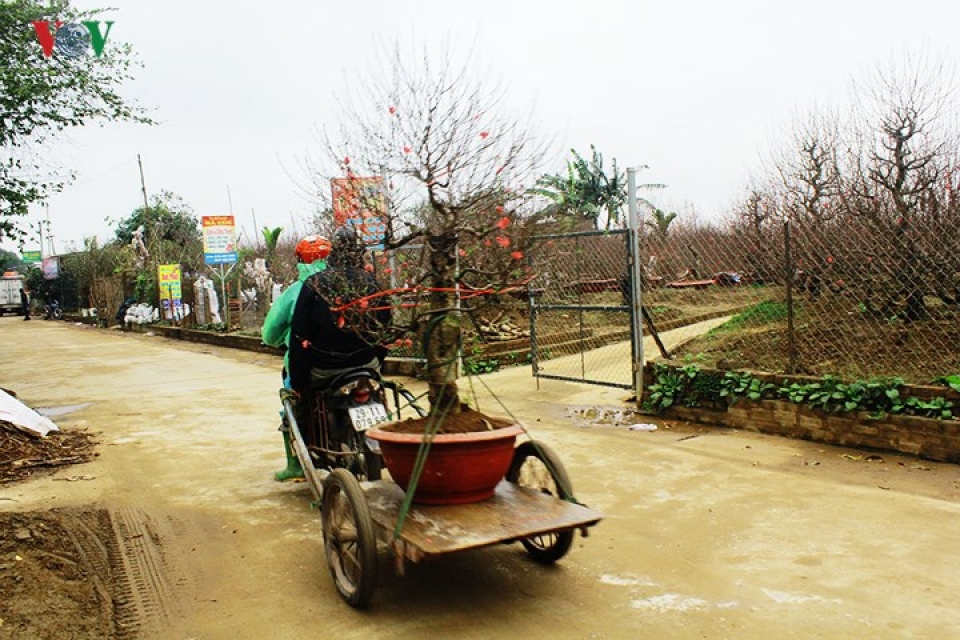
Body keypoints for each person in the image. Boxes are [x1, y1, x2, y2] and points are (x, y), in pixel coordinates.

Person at [287, 226, 390, 395]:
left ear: (332, 253)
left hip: (325, 370)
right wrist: (376, 360)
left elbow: (299, 336)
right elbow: (385, 329)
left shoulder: (314, 284)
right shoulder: (371, 283)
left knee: (302, 403)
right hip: (367, 364)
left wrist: (298, 384)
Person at [261, 235, 331, 481]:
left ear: (301, 261)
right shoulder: (349, 286)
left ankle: (296, 465)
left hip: (312, 367)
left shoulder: (296, 292)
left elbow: (270, 334)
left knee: (291, 405)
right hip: (359, 363)